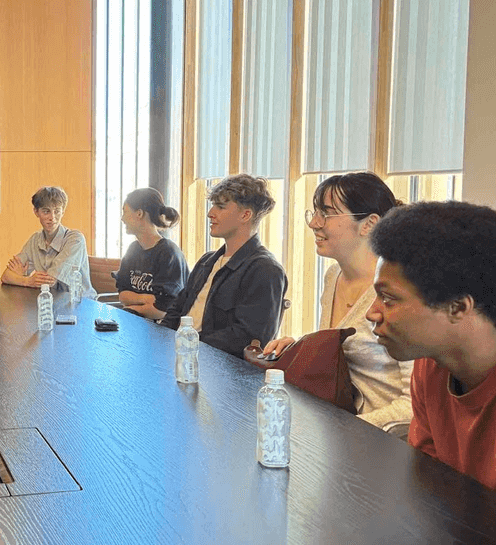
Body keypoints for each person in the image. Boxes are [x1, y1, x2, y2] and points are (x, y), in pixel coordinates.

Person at [262, 173, 412, 427]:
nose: (314, 223)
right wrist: (303, 347)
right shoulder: (334, 276)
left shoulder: (401, 290)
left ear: (369, 224)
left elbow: (413, 405)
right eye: (315, 212)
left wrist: (344, 430)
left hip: (379, 436)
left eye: (327, 214)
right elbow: (344, 353)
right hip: (336, 421)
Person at [366, 201, 496, 490]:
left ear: (457, 307)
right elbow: (432, 487)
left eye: (388, 298)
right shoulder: (431, 367)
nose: (371, 313)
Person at [160, 174, 287, 358]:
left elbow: (248, 337)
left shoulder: (265, 269)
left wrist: (187, 343)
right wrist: (161, 341)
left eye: (220, 207)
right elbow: (176, 310)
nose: (210, 213)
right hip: (179, 354)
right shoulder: (207, 261)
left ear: (245, 215)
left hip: (214, 364)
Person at [1, 186, 96, 296]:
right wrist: (27, 281)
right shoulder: (35, 240)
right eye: (46, 211)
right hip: (52, 301)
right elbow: (6, 276)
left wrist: (19, 277)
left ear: (63, 212)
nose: (52, 218)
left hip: (81, 303)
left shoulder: (75, 239)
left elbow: (50, 281)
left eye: (57, 211)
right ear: (36, 212)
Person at [116, 187, 189, 320]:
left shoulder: (169, 253)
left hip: (164, 329)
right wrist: (147, 299)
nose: (122, 218)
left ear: (139, 213)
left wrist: (130, 308)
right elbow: (122, 296)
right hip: (137, 323)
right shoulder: (133, 249)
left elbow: (162, 311)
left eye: (125, 212)